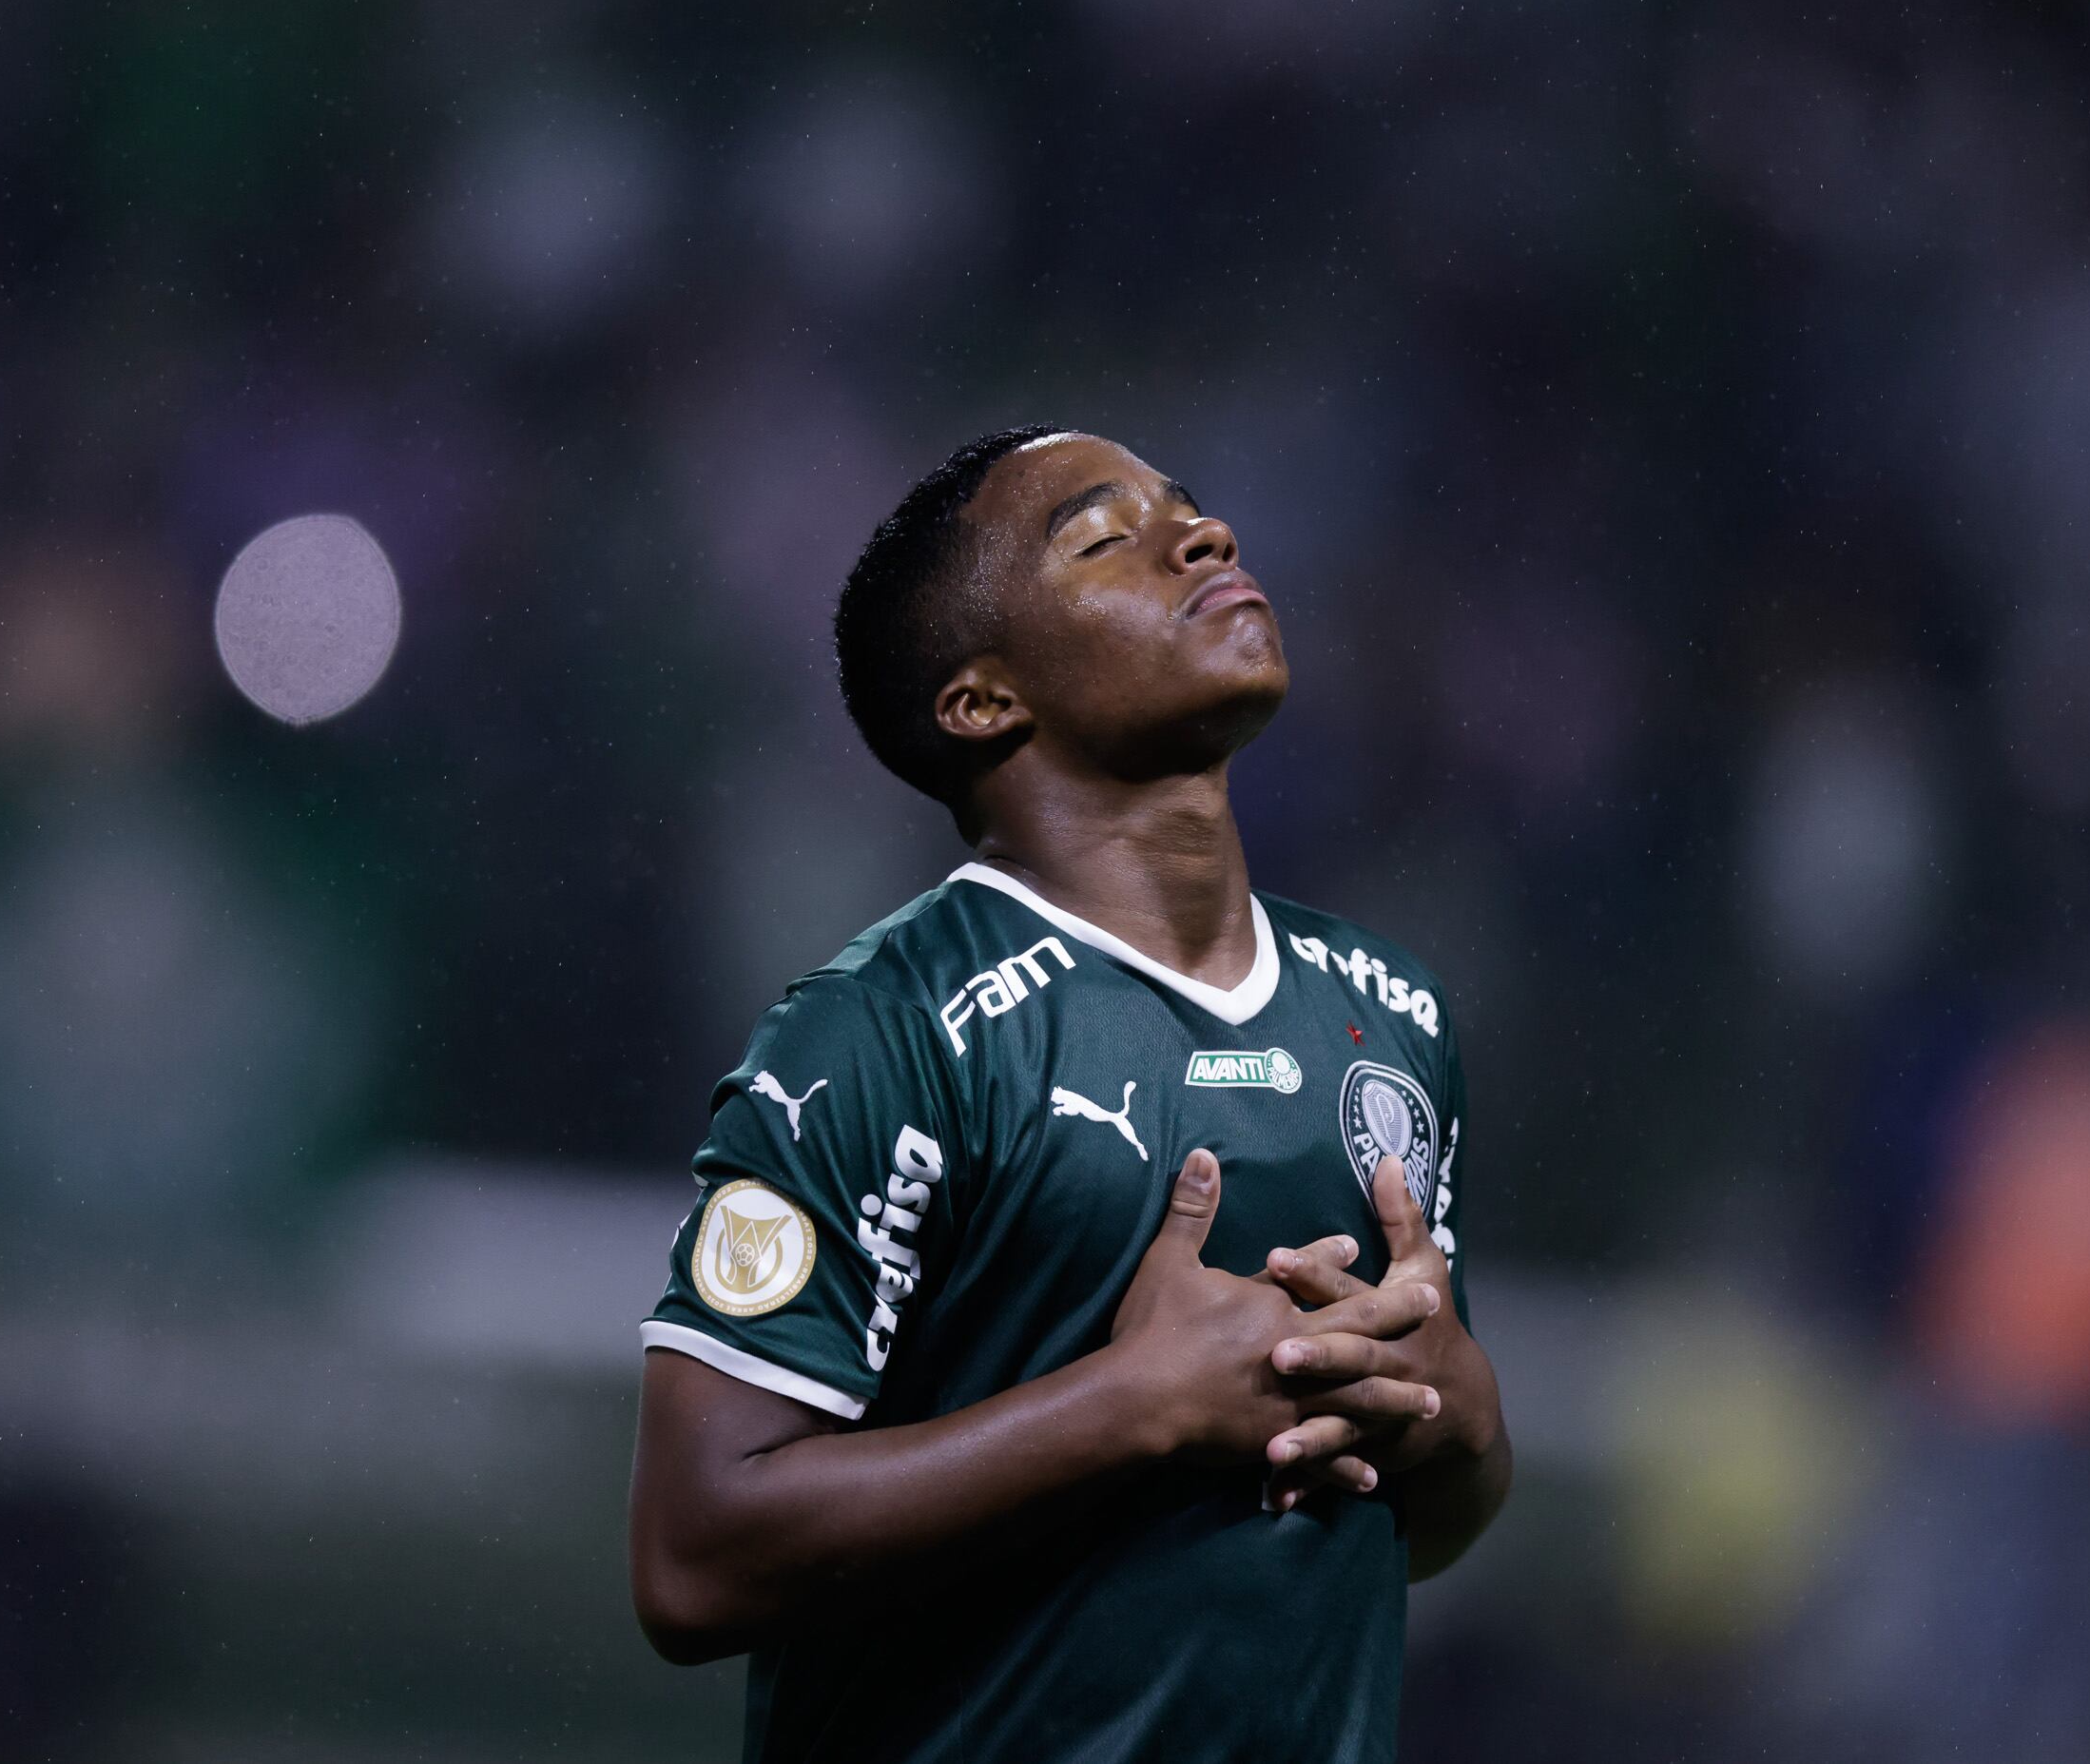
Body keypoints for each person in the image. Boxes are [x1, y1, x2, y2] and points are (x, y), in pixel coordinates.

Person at [628, 427, 1512, 1762]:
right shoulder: (880, 1033)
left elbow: (1415, 1526)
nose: (1204, 537)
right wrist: (1130, 1406)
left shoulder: (1390, 1014)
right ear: (984, 701)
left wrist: (1455, 1409)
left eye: (1191, 510)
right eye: (1103, 538)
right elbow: (694, 1558)